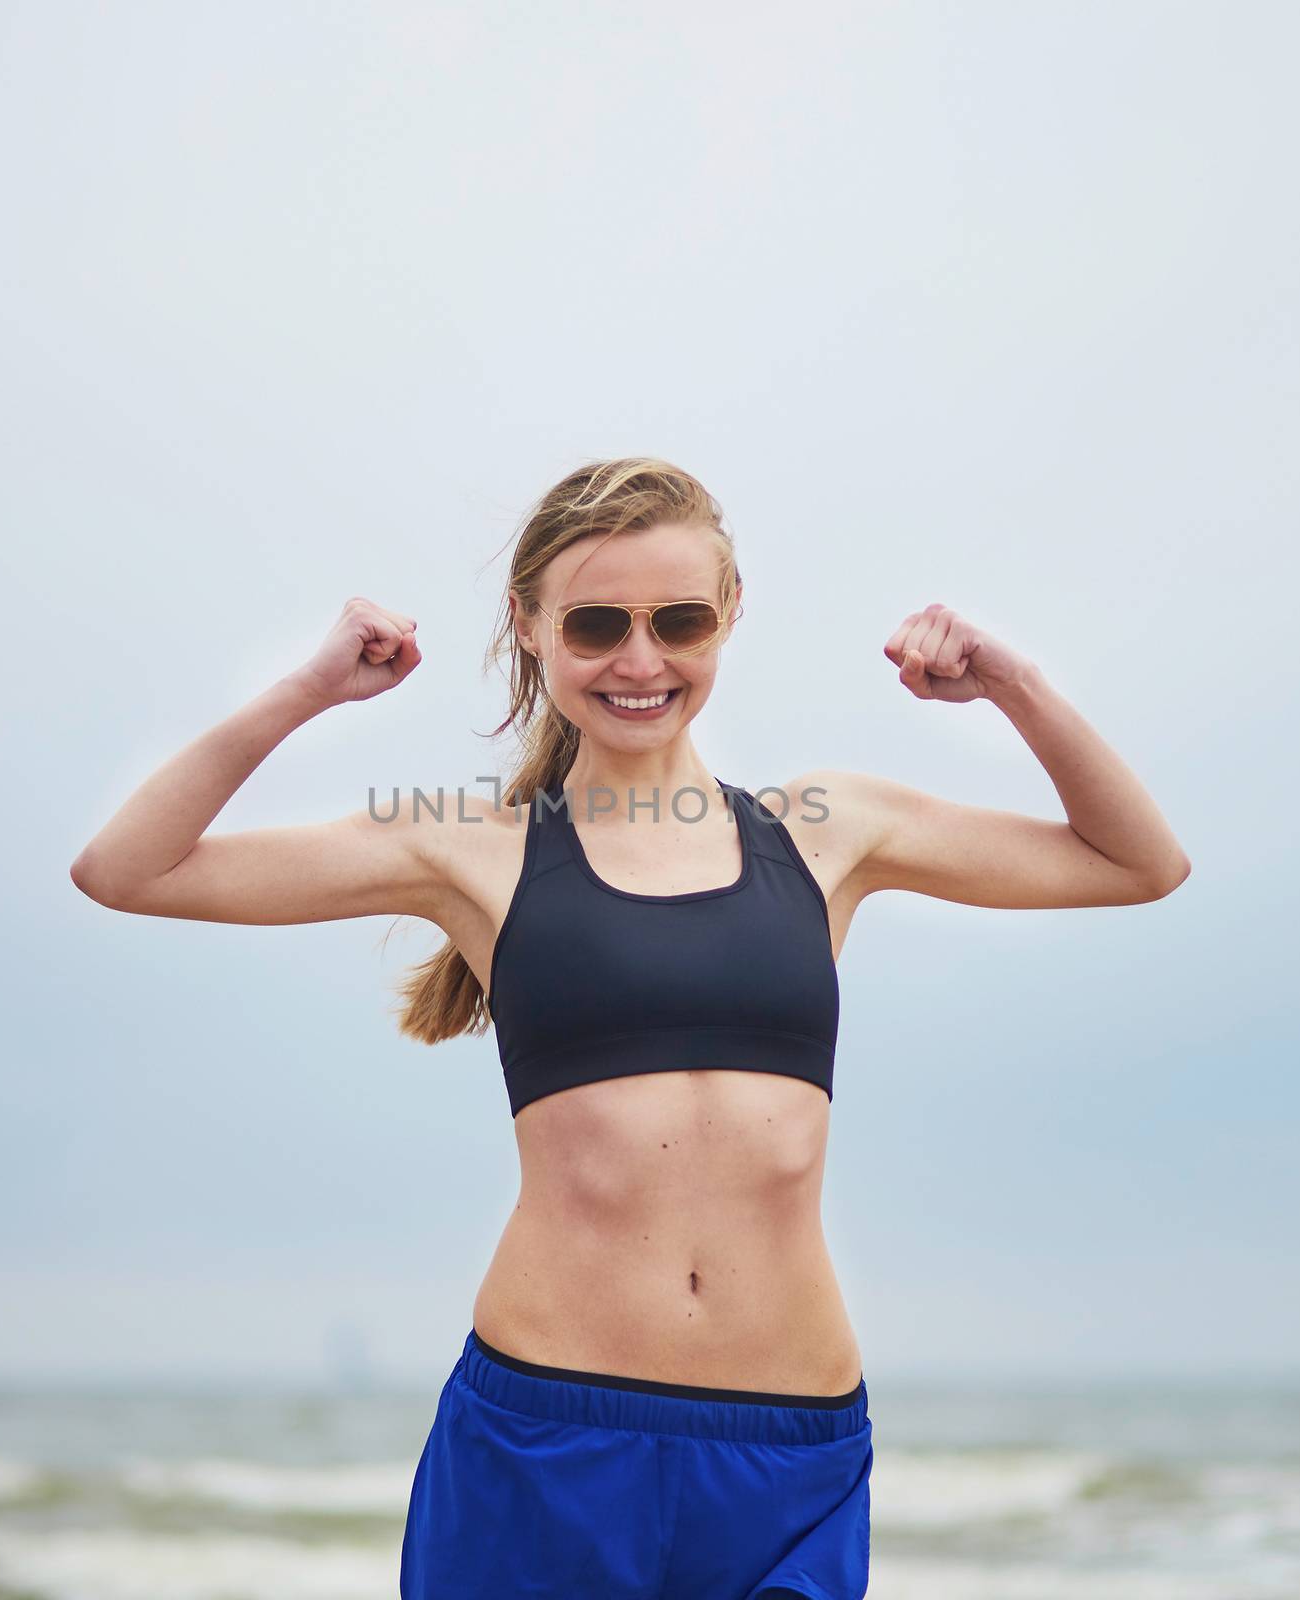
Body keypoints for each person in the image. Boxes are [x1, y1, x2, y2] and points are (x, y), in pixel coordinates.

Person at [70, 456, 1192, 1599]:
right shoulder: (468, 846)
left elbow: (1137, 863)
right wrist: (308, 689)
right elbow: (126, 868)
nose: (640, 660)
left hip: (786, 1451)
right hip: (542, 1431)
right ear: (530, 624)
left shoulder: (826, 826)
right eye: (597, 623)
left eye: (680, 621)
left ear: (730, 616)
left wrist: (1011, 683)